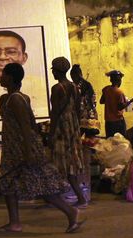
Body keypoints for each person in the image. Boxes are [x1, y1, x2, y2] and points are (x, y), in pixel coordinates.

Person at [0, 62, 84, 233]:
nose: (1, 77)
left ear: (10, 77)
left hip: (22, 149)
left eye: (4, 74)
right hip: (14, 149)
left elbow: (26, 126)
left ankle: (71, 212)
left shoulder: (16, 99)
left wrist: (30, 152)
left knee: (41, 186)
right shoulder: (9, 98)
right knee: (8, 185)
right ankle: (14, 223)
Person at [0, 30, 47, 122]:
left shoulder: (41, 86)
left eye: (11, 52)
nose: (2, 57)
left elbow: (26, 125)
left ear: (24, 57)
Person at [49, 57, 87, 208]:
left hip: (61, 128)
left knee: (58, 162)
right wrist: (75, 129)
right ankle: (79, 197)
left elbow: (56, 113)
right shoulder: (74, 87)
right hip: (72, 127)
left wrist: (51, 133)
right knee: (71, 162)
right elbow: (78, 110)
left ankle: (57, 199)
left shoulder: (57, 88)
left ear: (57, 71)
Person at [100, 70, 133, 137]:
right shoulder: (119, 92)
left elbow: (101, 101)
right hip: (118, 122)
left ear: (111, 80)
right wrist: (131, 101)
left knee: (110, 142)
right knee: (121, 141)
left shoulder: (106, 89)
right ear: (119, 80)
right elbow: (120, 107)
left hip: (108, 122)